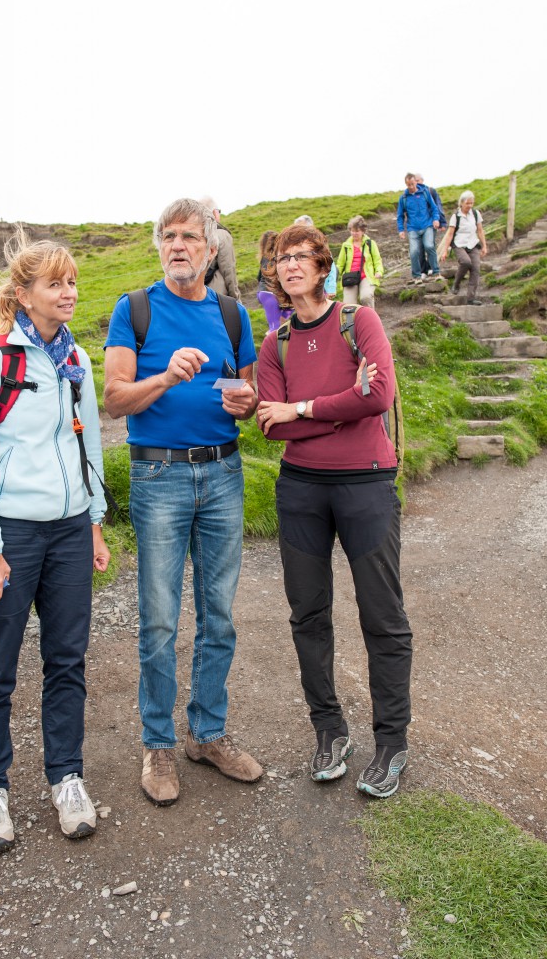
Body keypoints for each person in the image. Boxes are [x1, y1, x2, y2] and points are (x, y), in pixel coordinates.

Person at [104, 198, 263, 806]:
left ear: (210, 245)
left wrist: (243, 405)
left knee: (218, 614)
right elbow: (114, 401)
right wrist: (166, 378)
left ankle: (208, 734)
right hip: (159, 478)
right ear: (158, 246)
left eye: (190, 237)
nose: (178, 246)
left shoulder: (230, 314)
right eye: (168, 237)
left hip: (223, 474)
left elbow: (246, 390)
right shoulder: (136, 310)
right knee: (161, 618)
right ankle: (158, 744)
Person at [0, 231, 110, 853]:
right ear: (23, 293)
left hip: (71, 529)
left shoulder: (76, 360)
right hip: (11, 535)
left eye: (72, 282)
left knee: (67, 662)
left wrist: (95, 519)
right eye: (56, 283)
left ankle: (66, 778)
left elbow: (91, 442)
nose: (69, 293)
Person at [256, 223, 412, 799]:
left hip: (366, 484)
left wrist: (300, 408)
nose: (290, 264)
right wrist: (332, 408)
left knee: (382, 614)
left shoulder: (358, 321)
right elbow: (270, 427)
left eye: (302, 256)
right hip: (301, 489)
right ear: (274, 272)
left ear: (324, 267)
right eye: (281, 257)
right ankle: (330, 732)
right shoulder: (276, 343)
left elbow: (379, 397)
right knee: (308, 615)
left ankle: (392, 742)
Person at [439, 190, 488, 304]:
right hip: (459, 244)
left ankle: (471, 299)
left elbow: (480, 231)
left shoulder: (476, 214)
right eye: (467, 203)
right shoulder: (456, 216)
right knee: (466, 262)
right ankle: (456, 284)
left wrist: (484, 246)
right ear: (461, 203)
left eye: (471, 203)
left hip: (473, 244)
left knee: (475, 269)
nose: (470, 206)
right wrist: (445, 250)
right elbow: (450, 234)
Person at [397, 172, 440, 284]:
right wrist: (401, 230)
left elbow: (434, 208)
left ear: (415, 181)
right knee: (414, 251)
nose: (411, 187)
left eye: (412, 184)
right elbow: (400, 215)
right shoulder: (404, 198)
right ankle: (416, 276)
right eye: (408, 185)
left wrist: (436, 219)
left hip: (427, 225)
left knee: (429, 246)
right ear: (406, 184)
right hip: (413, 229)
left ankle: (436, 272)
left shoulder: (425, 193)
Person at [336, 215, 384, 309]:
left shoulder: (370, 243)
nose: (354, 233)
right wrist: (334, 276)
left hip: (366, 276)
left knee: (366, 297)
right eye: (352, 231)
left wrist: (379, 271)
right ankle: (351, 324)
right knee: (349, 306)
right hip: (350, 278)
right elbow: (340, 264)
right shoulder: (345, 245)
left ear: (363, 231)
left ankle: (370, 321)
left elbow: (377, 260)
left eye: (357, 231)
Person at [199, 195, 241, 300]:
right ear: (214, 212)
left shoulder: (193, 236)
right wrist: (236, 300)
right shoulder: (221, 235)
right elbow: (228, 270)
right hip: (215, 297)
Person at [294, 214, 338, 296]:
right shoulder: (293, 247)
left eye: (301, 228)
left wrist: (331, 288)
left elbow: (330, 267)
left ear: (310, 228)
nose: (298, 232)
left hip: (320, 289)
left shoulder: (320, 245)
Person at [415, 174, 447, 277]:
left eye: (418, 180)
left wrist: (441, 222)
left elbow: (438, 206)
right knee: (419, 248)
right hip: (417, 226)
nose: (416, 182)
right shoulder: (410, 194)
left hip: (431, 224)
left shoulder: (431, 191)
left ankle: (431, 268)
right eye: (414, 181)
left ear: (422, 180)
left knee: (429, 246)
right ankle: (423, 271)